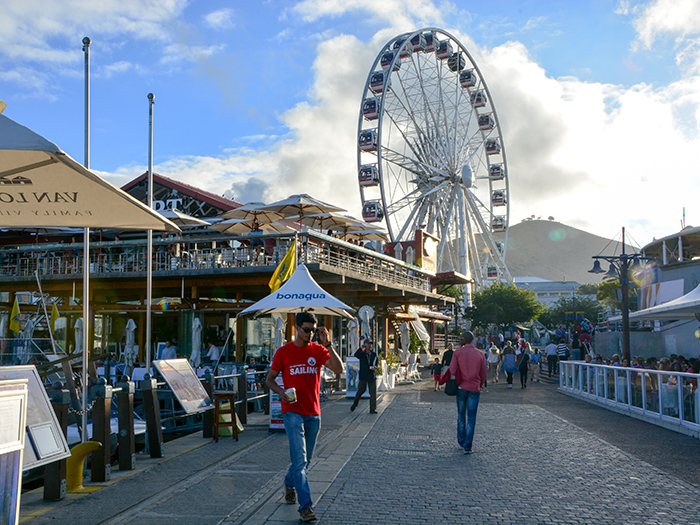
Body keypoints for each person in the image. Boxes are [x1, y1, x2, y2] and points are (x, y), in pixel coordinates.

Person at [265, 312, 343, 523]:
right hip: (292, 411)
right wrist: (282, 393)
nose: (310, 334)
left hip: (313, 412)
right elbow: (269, 380)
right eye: (306, 330)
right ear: (297, 328)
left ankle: (289, 482)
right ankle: (305, 507)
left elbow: (339, 369)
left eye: (313, 330)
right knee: (300, 460)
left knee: (305, 461)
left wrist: (328, 344)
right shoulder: (284, 352)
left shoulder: (318, 350)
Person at [447, 331, 487, 454]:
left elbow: (452, 370)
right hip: (474, 387)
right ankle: (468, 445)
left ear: (465, 339)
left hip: (461, 387)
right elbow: (483, 374)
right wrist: (479, 385)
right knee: (471, 417)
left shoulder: (458, 353)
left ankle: (461, 439)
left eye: (461, 338)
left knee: (461, 414)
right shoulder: (480, 354)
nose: (460, 340)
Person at [351, 338, 378, 413]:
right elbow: (356, 355)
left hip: (371, 375)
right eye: (367, 344)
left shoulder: (373, 354)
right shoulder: (362, 354)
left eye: (370, 344)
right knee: (361, 390)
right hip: (363, 375)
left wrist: (375, 367)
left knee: (372, 393)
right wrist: (361, 348)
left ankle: (372, 409)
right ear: (365, 345)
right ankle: (354, 404)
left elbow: (376, 363)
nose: (369, 345)